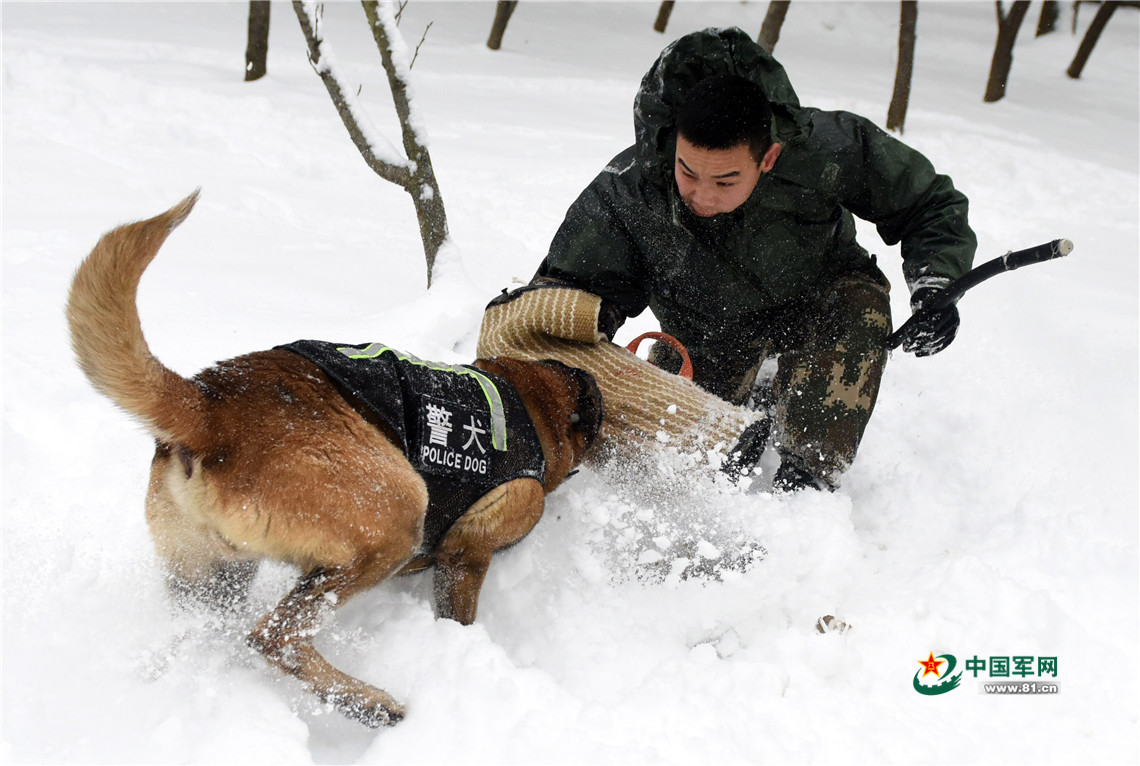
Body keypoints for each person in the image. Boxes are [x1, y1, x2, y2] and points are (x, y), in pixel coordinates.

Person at [532, 27, 976, 493]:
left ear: (768, 158)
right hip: (704, 329)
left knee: (858, 306)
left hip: (815, 303)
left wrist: (936, 284)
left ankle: (808, 481)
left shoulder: (826, 149)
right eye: (688, 171)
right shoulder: (633, 186)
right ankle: (752, 392)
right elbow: (565, 295)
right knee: (674, 467)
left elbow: (930, 203)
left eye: (725, 181)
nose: (702, 195)